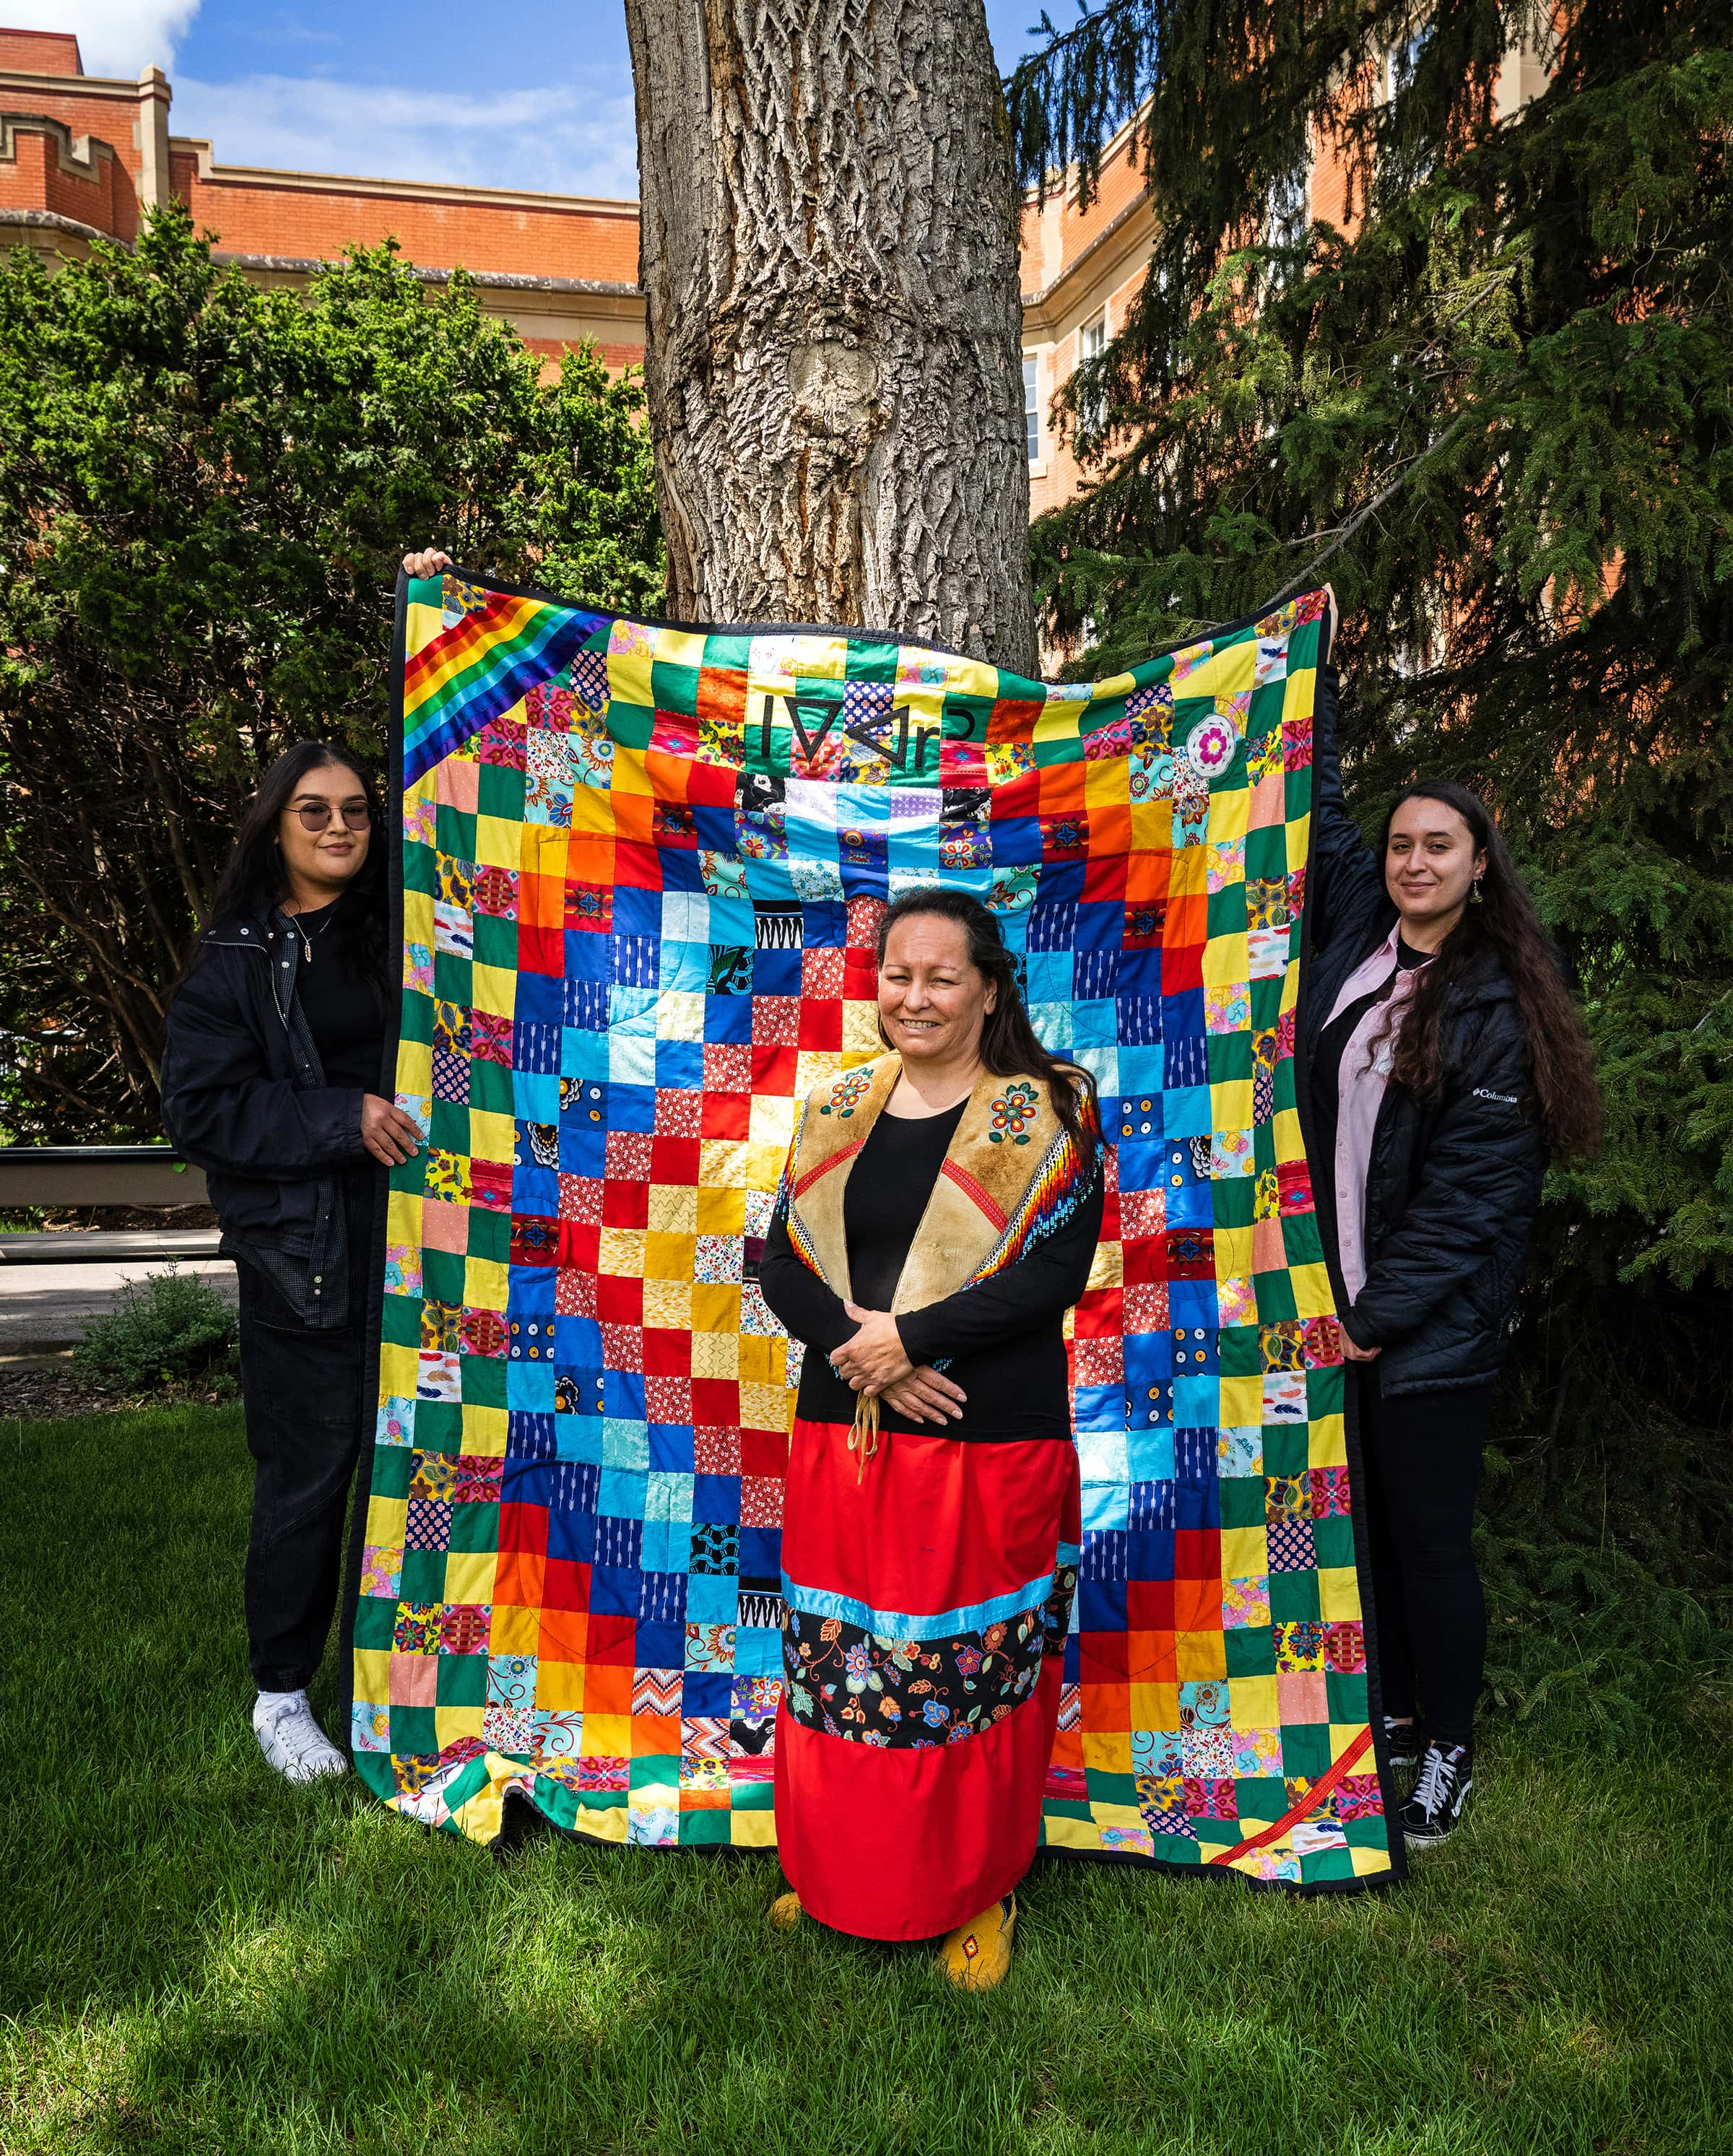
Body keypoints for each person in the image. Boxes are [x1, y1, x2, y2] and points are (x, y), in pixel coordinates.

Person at [757, 886, 1104, 1988]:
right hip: (845, 1430)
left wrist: (908, 1340)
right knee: (842, 1668)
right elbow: (779, 1260)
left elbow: (1055, 1270)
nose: (915, 995)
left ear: (987, 988)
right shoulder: (837, 1104)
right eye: (898, 975)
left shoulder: (1045, 1110)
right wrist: (868, 1354)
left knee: (965, 1673)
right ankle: (837, 1869)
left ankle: (976, 1885)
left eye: (941, 975)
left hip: (987, 1437)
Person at [1306, 666, 1601, 1844]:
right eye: (1401, 846)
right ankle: (1378, 1719)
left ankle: (1449, 1745)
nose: (1413, 862)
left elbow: (1480, 1196)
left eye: (1439, 845)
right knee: (1352, 1526)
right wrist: (1302, 673)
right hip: (1328, 1299)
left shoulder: (1495, 997)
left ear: (1481, 864)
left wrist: (1374, 1318)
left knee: (1425, 1535)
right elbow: (1315, 819)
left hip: (1424, 1327)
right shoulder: (1359, 943)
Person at [160, 744, 423, 1782]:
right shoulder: (233, 954)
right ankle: (282, 1692)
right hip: (304, 1253)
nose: (338, 827)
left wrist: (443, 600)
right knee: (312, 1470)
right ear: (274, 824)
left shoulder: (407, 925)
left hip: (432, 1235)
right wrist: (338, 1117)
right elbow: (201, 1109)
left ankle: (410, 1669)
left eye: (357, 809)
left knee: (437, 1455)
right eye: (312, 811)